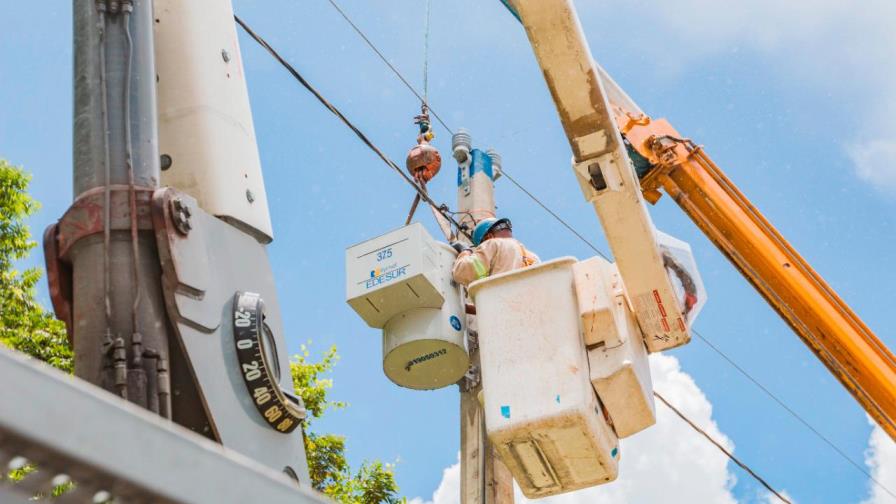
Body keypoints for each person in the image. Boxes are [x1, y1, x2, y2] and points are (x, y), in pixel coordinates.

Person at [451, 217, 539, 287]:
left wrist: (465, 251)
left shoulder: (494, 243)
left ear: (488, 237)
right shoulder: (533, 258)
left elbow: (462, 272)